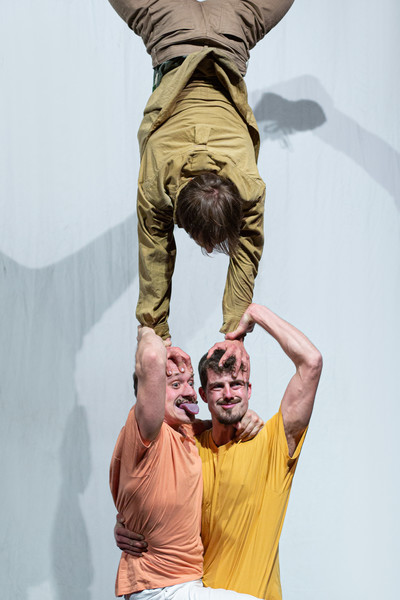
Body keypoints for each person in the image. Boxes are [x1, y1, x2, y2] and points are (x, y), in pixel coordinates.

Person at [107, 0, 295, 342]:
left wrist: (231, 328)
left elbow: (247, 249)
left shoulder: (248, 186)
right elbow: (154, 251)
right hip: (167, 28)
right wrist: (157, 331)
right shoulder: (158, 182)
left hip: (233, 30)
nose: (208, 249)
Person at [115, 303, 323, 599]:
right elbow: (150, 496)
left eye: (236, 384)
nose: (228, 394)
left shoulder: (274, 442)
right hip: (193, 588)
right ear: (202, 395)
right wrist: (127, 522)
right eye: (217, 387)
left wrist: (254, 315)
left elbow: (311, 362)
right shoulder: (190, 448)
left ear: (249, 390)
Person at [110, 325, 263, 599]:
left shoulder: (187, 431)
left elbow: (221, 421)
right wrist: (148, 333)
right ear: (149, 395)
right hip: (160, 589)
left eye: (190, 382)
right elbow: (152, 358)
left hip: (184, 584)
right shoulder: (144, 432)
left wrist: (247, 416)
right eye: (175, 384)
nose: (190, 392)